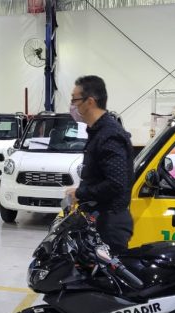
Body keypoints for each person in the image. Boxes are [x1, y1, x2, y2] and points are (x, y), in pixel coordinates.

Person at [65, 75, 134, 255]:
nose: (72, 105)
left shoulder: (109, 135)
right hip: (99, 219)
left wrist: (79, 193)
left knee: (105, 281)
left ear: (89, 102)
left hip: (109, 224)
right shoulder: (98, 133)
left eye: (74, 99)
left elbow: (116, 183)